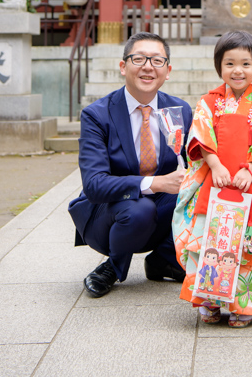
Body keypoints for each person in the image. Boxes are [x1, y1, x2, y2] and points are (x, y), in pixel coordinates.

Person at [173, 30, 252, 328]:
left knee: (246, 246)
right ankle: (209, 301)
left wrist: (249, 169)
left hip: (247, 186)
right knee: (210, 242)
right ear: (219, 67)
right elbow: (199, 134)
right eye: (230, 63)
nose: (238, 70)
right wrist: (214, 164)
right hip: (215, 182)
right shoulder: (209, 102)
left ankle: (242, 306)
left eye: (246, 64)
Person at [68, 32, 192, 297]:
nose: (148, 66)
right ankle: (112, 267)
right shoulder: (97, 115)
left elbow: (193, 165)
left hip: (160, 212)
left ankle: (163, 259)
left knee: (201, 192)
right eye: (139, 59)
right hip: (109, 216)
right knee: (139, 208)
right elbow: (94, 185)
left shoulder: (180, 110)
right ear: (123, 66)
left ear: (167, 71)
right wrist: (154, 183)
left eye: (157, 61)